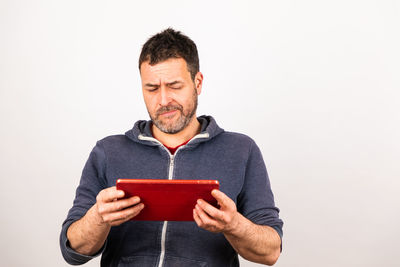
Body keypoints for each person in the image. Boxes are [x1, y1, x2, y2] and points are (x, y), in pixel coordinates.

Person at [60, 28, 283, 267]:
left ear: (197, 83)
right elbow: (73, 251)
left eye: (174, 86)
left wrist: (233, 224)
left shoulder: (241, 150)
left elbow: (270, 251)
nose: (164, 100)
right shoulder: (108, 151)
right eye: (152, 88)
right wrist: (97, 217)